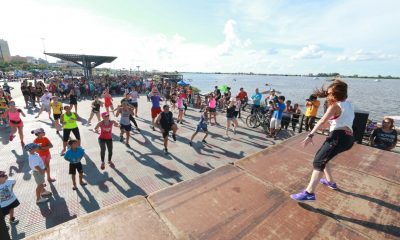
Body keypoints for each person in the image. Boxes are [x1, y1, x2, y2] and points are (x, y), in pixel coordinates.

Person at [290, 79, 354, 202]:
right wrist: (331, 123)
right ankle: (331, 182)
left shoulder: (335, 106)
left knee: (318, 162)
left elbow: (321, 121)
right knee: (324, 157)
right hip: (349, 138)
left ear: (335, 94)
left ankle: (309, 193)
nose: (328, 95)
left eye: (330, 93)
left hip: (338, 137)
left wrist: (310, 135)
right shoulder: (350, 105)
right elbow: (342, 119)